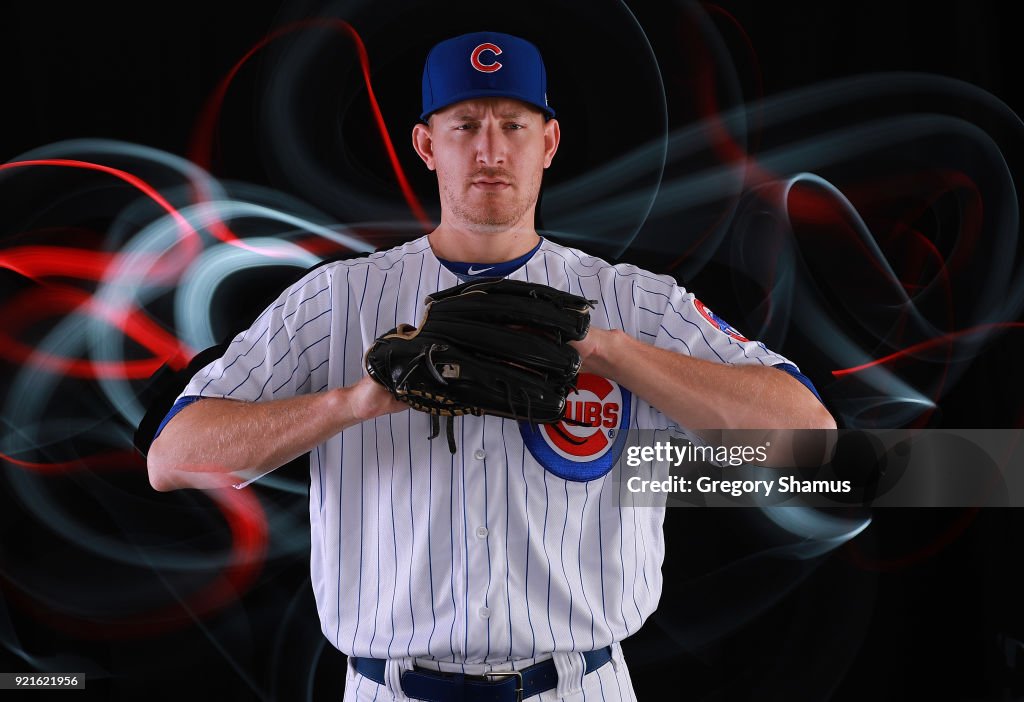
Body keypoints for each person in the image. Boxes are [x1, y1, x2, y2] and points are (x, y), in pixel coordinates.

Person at [147, 30, 836, 701]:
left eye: (513, 124)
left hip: (577, 686)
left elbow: (810, 439)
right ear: (425, 145)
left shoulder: (634, 301)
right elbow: (171, 458)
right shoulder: (338, 299)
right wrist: (353, 404)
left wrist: (609, 349)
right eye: (465, 124)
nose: (490, 149)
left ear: (549, 143)